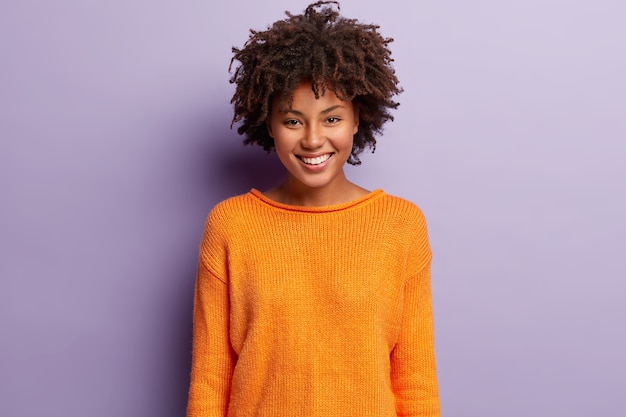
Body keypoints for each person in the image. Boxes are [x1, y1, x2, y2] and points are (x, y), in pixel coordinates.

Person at [187, 1, 440, 416]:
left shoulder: (401, 225)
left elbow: (415, 385)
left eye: (331, 118)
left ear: (357, 119)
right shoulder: (231, 225)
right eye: (292, 120)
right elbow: (210, 382)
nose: (312, 139)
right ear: (268, 125)